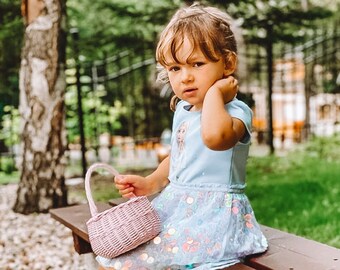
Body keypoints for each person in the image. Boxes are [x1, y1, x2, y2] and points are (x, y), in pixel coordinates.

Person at [97, 3, 267, 270]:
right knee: (118, 258)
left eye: (197, 64)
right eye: (175, 68)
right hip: (178, 207)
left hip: (215, 217)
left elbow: (214, 137)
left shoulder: (237, 112)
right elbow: (179, 157)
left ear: (228, 63)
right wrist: (151, 182)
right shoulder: (184, 112)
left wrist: (214, 95)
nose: (185, 77)